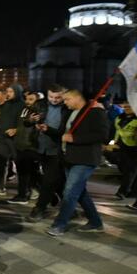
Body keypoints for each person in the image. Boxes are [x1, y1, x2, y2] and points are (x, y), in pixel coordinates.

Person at [45, 90, 107, 236]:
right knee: (80, 192)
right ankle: (95, 222)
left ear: (77, 98)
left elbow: (102, 135)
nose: (64, 102)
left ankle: (59, 225)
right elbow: (63, 134)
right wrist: (47, 130)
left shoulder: (94, 112)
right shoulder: (68, 113)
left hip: (85, 159)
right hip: (69, 158)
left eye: (67, 99)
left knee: (70, 192)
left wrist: (75, 139)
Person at [26, 85, 68, 222]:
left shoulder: (67, 108)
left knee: (49, 179)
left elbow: (64, 132)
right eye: (51, 97)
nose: (54, 100)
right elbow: (26, 121)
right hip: (40, 147)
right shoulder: (40, 104)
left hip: (57, 150)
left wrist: (48, 129)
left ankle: (40, 208)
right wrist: (31, 120)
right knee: (58, 180)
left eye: (58, 97)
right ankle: (67, 205)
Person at [0, 84, 24, 196]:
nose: (8, 94)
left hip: (15, 139)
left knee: (21, 164)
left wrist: (16, 130)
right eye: (7, 91)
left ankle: (27, 190)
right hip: (1, 138)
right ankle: (0, 186)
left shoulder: (22, 105)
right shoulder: (5, 105)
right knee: (1, 163)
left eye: (11, 91)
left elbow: (24, 123)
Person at [10, 90, 44, 204]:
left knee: (30, 172)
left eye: (31, 99)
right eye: (27, 99)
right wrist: (16, 131)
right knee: (24, 172)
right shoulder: (24, 109)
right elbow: (22, 125)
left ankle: (24, 195)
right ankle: (25, 194)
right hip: (20, 144)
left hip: (31, 146)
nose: (27, 101)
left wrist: (32, 119)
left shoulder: (38, 110)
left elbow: (31, 123)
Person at [111, 102, 137, 199]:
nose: (127, 108)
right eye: (126, 107)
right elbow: (117, 131)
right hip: (122, 145)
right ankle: (136, 190)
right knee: (129, 169)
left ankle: (123, 191)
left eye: (129, 107)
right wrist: (115, 142)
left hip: (135, 147)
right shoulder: (119, 118)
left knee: (130, 170)